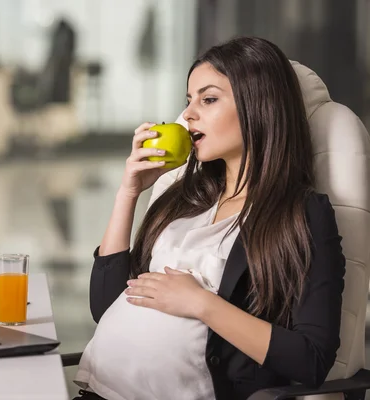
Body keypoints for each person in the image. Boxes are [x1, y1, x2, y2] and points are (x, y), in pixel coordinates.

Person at [72, 36, 346, 400]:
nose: (187, 115)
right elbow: (104, 305)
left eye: (208, 99)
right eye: (189, 101)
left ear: (257, 106)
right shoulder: (184, 197)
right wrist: (128, 192)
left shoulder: (302, 215)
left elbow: (312, 359)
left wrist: (201, 303)